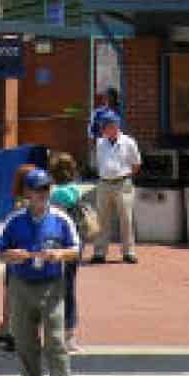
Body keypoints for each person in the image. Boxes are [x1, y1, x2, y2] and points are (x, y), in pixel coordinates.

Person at [0, 168, 79, 376]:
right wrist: (13, 255)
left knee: (55, 342)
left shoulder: (61, 219)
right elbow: (0, 253)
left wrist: (60, 254)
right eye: (37, 189)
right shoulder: (15, 220)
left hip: (52, 285)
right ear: (27, 193)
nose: (42, 194)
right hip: (22, 285)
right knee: (25, 343)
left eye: (46, 189)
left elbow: (75, 249)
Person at [0, 162, 37, 350]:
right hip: (22, 255)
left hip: (16, 256)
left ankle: (6, 328)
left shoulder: (18, 202)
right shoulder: (26, 205)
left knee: (11, 293)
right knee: (21, 295)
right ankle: (14, 332)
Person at [92, 109, 142, 264]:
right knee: (102, 219)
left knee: (126, 218)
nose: (103, 129)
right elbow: (99, 163)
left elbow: (136, 164)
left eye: (106, 126)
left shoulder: (128, 141)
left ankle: (129, 252)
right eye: (102, 126)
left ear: (115, 126)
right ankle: (100, 252)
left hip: (122, 183)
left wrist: (124, 177)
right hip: (104, 184)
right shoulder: (100, 143)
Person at [48, 152, 83, 351]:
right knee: (69, 288)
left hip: (56, 245)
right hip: (73, 245)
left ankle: (54, 332)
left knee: (52, 289)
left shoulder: (54, 194)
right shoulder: (74, 190)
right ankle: (68, 334)